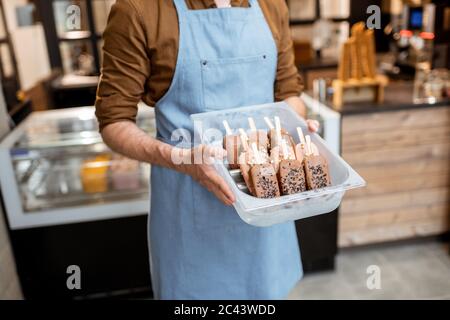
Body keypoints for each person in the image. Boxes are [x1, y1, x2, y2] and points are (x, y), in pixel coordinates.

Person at [95, 0, 320, 300]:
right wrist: (180, 159)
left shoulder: (271, 5)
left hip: (266, 212)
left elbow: (289, 91)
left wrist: (292, 127)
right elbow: (114, 121)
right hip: (188, 211)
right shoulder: (138, 10)